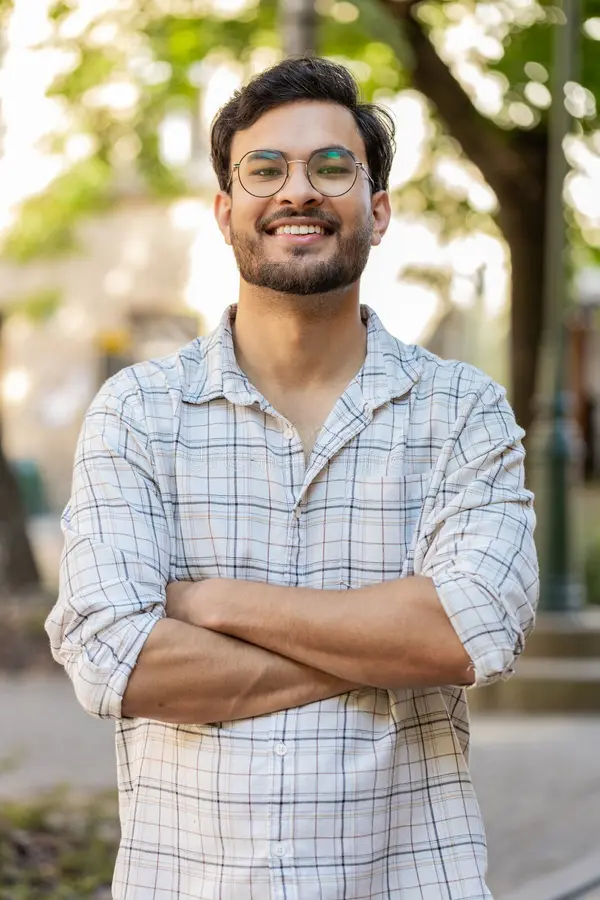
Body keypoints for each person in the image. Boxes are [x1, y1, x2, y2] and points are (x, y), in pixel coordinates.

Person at [46, 55, 539, 900]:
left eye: (333, 167)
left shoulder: (462, 409)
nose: (298, 191)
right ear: (225, 210)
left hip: (409, 882)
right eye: (265, 168)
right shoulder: (139, 412)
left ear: (377, 213)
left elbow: (470, 631)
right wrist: (391, 647)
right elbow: (113, 662)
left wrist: (211, 602)